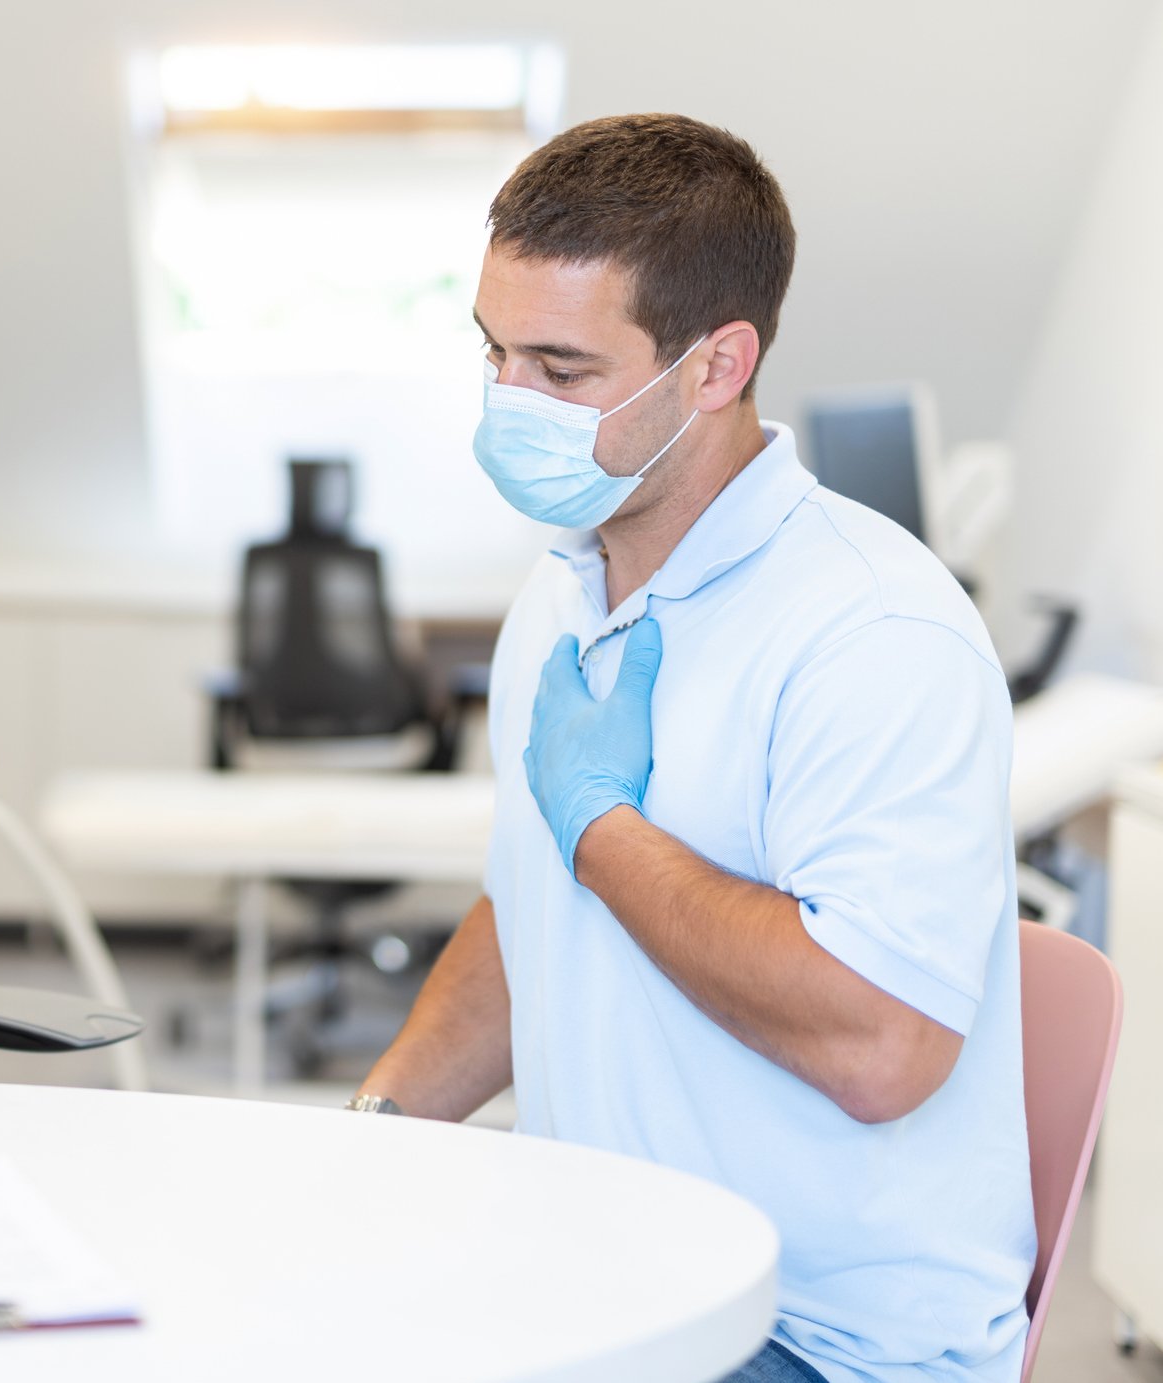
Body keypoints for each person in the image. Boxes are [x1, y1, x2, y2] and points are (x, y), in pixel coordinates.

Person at [353, 116, 1031, 1381]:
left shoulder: (870, 631)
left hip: (816, 1336)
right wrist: (370, 1131)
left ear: (717, 366)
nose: (511, 405)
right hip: (603, 1274)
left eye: (561, 371)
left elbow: (883, 1048)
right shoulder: (558, 597)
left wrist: (603, 829)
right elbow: (531, 918)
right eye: (493, 354)